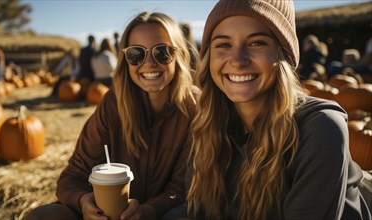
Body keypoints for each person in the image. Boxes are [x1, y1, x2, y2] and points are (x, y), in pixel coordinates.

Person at [185, 0, 371, 219]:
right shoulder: (208, 124)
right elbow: (195, 211)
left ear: (283, 55)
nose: (237, 60)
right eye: (223, 45)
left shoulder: (321, 126)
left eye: (256, 43)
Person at [23, 11, 199, 220]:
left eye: (162, 52)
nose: (150, 63)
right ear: (125, 59)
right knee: (43, 216)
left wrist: (148, 211)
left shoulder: (195, 108)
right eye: (136, 54)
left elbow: (183, 188)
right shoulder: (112, 103)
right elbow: (73, 175)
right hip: (103, 215)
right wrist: (82, 201)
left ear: (178, 55)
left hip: (160, 216)